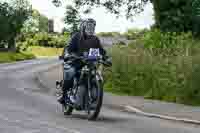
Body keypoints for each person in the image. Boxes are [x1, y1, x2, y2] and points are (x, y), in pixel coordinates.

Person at [58, 18, 108, 108]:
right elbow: (69, 48)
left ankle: (91, 99)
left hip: (90, 63)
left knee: (95, 75)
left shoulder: (95, 39)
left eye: (92, 27)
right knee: (71, 73)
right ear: (83, 27)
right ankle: (64, 95)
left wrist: (106, 58)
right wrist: (68, 55)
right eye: (88, 26)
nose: (90, 29)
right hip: (76, 61)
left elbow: (101, 51)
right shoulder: (77, 36)